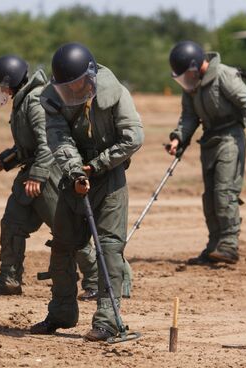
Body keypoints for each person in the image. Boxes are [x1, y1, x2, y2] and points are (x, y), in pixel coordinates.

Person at [30, 43, 144, 342]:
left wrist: (97, 166)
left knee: (109, 248)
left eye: (78, 84)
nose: (74, 91)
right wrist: (76, 170)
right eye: (67, 87)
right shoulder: (54, 100)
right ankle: (61, 313)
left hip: (109, 178)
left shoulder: (116, 93)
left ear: (91, 74)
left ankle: (107, 321)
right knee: (63, 245)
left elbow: (134, 137)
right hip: (75, 175)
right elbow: (58, 137)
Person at [0, 55, 98, 300]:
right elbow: (27, 147)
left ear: (10, 82)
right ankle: (9, 278)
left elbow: (47, 145)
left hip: (48, 176)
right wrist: (4, 160)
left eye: (1, 87)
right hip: (32, 177)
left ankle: (96, 281)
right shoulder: (23, 100)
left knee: (69, 230)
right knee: (13, 223)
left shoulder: (34, 101)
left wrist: (38, 176)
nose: (0, 92)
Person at [165, 40, 246, 265]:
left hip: (230, 137)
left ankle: (229, 244)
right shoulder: (191, 86)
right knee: (209, 198)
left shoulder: (224, 76)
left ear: (197, 66)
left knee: (224, 192)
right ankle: (214, 246)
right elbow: (189, 117)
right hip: (209, 140)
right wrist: (178, 137)